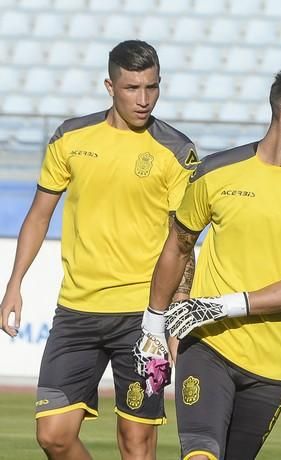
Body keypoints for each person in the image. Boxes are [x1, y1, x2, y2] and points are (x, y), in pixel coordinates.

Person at [139, 63, 281, 460]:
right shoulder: (216, 172)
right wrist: (155, 322)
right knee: (200, 454)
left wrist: (219, 305)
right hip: (207, 346)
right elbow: (178, 245)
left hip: (273, 366)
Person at [0, 40, 198, 460]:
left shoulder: (177, 151)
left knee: (136, 444)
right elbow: (38, 216)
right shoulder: (70, 137)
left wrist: (176, 308)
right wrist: (14, 284)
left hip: (144, 320)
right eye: (132, 88)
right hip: (75, 313)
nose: (143, 100)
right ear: (110, 86)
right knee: (53, 435)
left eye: (152, 87)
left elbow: (182, 240)